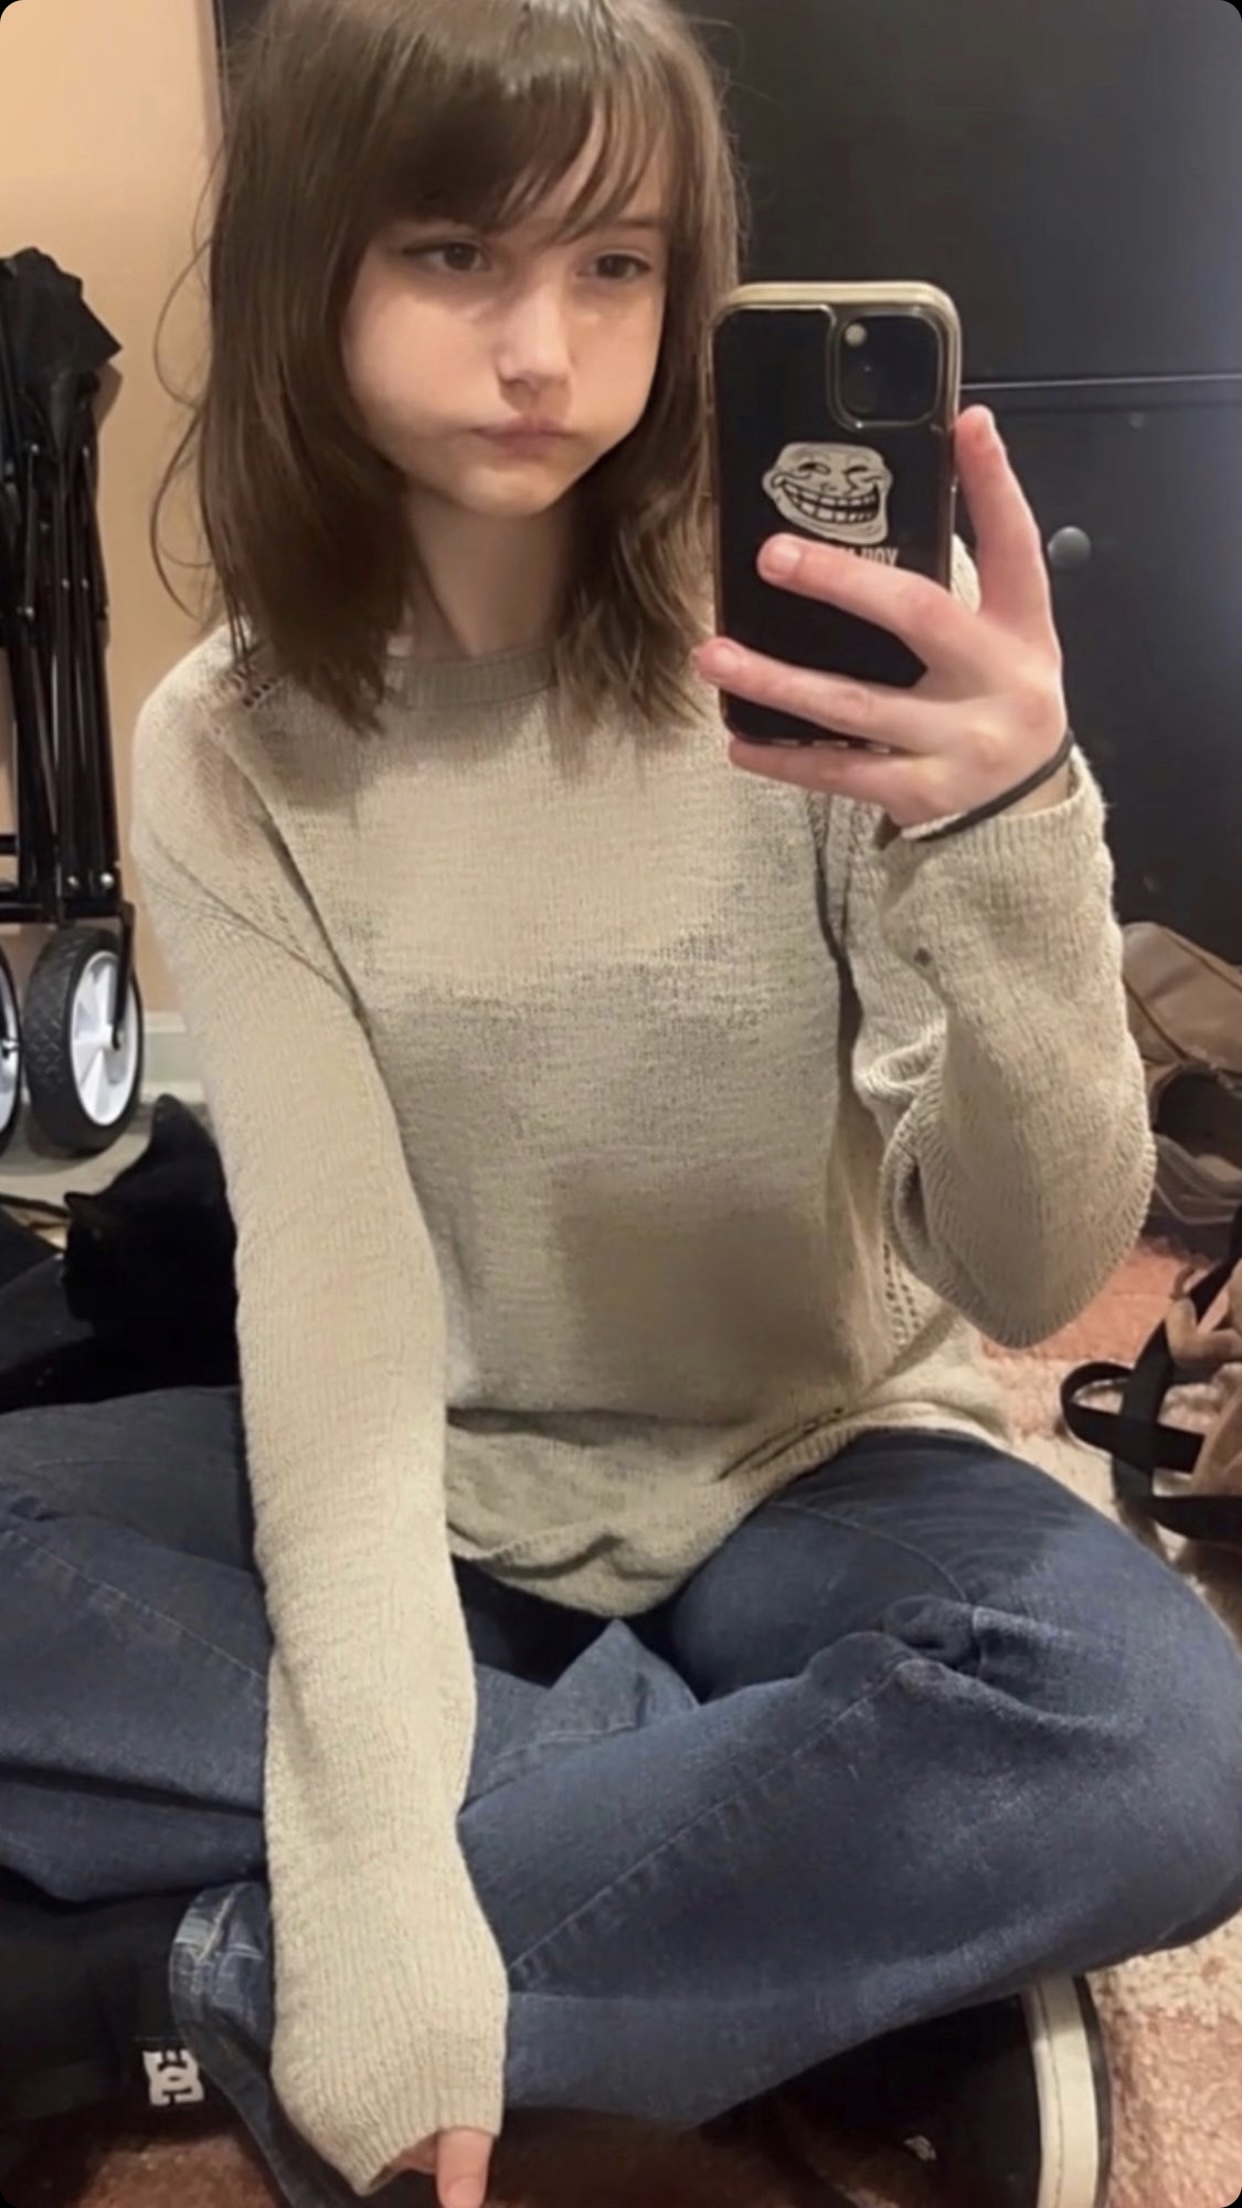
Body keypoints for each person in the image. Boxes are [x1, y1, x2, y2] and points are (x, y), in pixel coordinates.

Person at [3, 2, 1242, 2206]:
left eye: (615, 265)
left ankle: (177, 1982)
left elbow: (1036, 1266)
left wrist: (1016, 830)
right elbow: (341, 1317)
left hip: (808, 1463)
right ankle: (802, 1911)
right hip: (432, 1471)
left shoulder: (815, 646)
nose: (543, 353)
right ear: (312, 270)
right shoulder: (228, 744)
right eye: (454, 256)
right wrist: (394, 1843)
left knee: (1152, 1733)